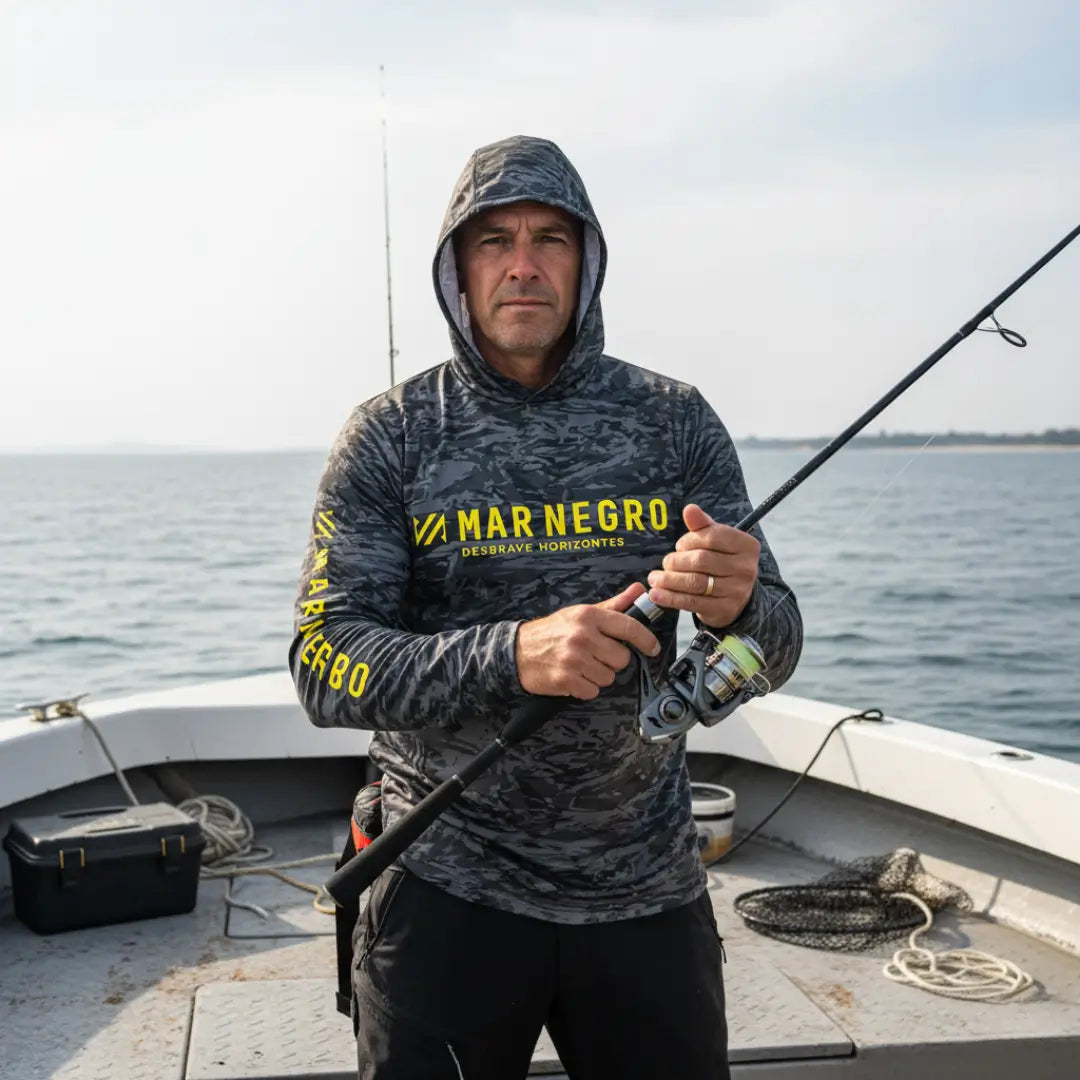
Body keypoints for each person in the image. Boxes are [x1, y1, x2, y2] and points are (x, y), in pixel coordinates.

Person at [290, 135, 803, 1080]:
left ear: (587, 261)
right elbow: (324, 662)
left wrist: (741, 612)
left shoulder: (676, 418)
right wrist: (512, 655)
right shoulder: (390, 435)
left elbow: (776, 638)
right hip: (444, 882)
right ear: (457, 268)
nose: (522, 264)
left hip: (649, 890)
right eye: (494, 240)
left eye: (549, 238)